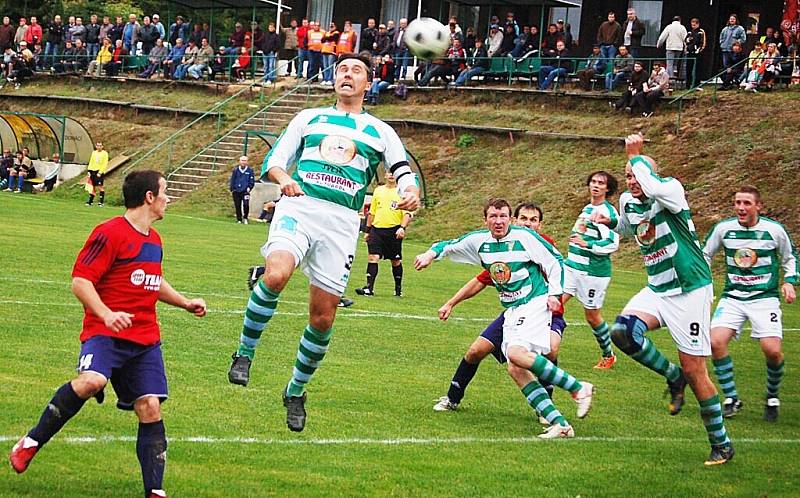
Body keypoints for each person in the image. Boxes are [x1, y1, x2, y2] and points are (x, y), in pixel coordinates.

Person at [226, 53, 420, 435]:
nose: (347, 75)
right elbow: (275, 161)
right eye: (342, 70)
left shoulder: (380, 131)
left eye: (356, 71)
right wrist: (283, 180)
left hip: (343, 222)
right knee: (277, 274)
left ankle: (295, 391)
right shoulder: (308, 118)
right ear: (334, 79)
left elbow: (402, 171)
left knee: (323, 317)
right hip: (300, 207)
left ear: (369, 82)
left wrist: (411, 192)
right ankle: (244, 354)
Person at [8, 170, 207, 497]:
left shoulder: (154, 240)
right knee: (92, 381)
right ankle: (30, 442)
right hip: (105, 332)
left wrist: (185, 302)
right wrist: (106, 314)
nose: (168, 199)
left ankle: (155, 491)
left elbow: (152, 281)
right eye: (165, 192)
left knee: (150, 407)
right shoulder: (110, 233)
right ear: (149, 197)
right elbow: (80, 281)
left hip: (144, 341)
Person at [415, 198, 594, 439]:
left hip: (534, 303)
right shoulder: (480, 241)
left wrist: (554, 294)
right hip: (512, 311)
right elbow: (447, 245)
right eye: (493, 216)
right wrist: (429, 255)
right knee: (515, 368)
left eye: (503, 216)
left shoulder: (525, 238)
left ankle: (578, 387)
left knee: (518, 355)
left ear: (510, 219)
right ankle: (560, 424)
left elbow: (555, 261)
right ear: (486, 219)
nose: (498, 221)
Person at [606, 133, 733, 465]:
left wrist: (636, 156)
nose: (633, 180)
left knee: (696, 370)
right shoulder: (628, 201)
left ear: (652, 174)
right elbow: (626, 228)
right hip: (658, 287)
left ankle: (721, 443)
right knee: (621, 332)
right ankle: (671, 375)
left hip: (690, 288)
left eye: (638, 174)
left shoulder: (670, 191)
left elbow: (652, 185)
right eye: (629, 175)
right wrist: (608, 225)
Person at [431, 203, 568, 419]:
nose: (528, 224)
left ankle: (549, 405)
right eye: (524, 219)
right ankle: (452, 398)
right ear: (515, 221)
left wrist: (555, 298)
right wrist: (451, 303)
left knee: (550, 350)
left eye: (533, 220)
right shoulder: (502, 248)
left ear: (540, 224)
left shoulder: (541, 245)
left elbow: (560, 271)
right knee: (476, 351)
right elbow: (480, 281)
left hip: (545, 312)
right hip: (514, 313)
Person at [703, 185, 796, 422]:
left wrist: (790, 282)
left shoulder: (774, 231)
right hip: (733, 297)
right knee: (715, 342)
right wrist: (703, 284)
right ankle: (731, 398)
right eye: (737, 203)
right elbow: (704, 254)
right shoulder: (724, 229)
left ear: (758, 206)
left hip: (764, 299)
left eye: (746, 203)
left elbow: (790, 258)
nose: (741, 208)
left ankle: (772, 396)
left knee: (772, 351)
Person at [563, 171, 620, 368]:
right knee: (553, 304)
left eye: (601, 183)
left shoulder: (608, 213)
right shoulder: (587, 208)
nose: (596, 185)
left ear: (608, 188)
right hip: (571, 267)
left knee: (592, 316)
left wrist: (587, 245)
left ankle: (608, 354)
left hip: (593, 273)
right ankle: (539, 349)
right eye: (593, 182)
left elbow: (612, 243)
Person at [354, 171, 411, 296]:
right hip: (377, 229)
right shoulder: (378, 190)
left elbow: (407, 213)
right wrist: (368, 231)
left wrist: (402, 227)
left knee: (395, 261)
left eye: (394, 173)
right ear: (385, 175)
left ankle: (398, 289)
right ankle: (369, 288)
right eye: (389, 172)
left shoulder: (402, 192)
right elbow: (372, 212)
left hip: (394, 230)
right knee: (373, 257)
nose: (391, 175)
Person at [229, 155, 255, 224]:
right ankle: (239, 219)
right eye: (242, 160)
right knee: (237, 205)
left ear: (247, 162)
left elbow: (252, 180)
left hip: (245, 191)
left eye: (245, 161)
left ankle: (245, 217)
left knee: (246, 204)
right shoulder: (236, 170)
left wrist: (249, 187)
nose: (243, 162)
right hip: (236, 190)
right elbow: (232, 180)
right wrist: (232, 188)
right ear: (239, 161)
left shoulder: (250, 170)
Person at [684, 18, 707, 88]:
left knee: (697, 69)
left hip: (697, 53)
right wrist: (687, 48)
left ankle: (696, 84)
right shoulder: (689, 32)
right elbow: (685, 41)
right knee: (688, 68)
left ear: (698, 24)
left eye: (694, 25)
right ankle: (688, 84)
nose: (693, 26)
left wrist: (699, 50)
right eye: (692, 25)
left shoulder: (701, 32)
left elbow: (703, 42)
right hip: (689, 52)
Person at [86, 141, 108, 206]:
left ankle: (101, 202)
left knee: (100, 186)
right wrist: (89, 170)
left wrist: (100, 172)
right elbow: (91, 161)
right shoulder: (94, 153)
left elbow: (104, 164)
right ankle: (90, 201)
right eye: (98, 145)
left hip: (99, 171)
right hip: (93, 170)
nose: (99, 147)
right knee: (93, 186)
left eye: (100, 146)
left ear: (102, 146)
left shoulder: (105, 153)